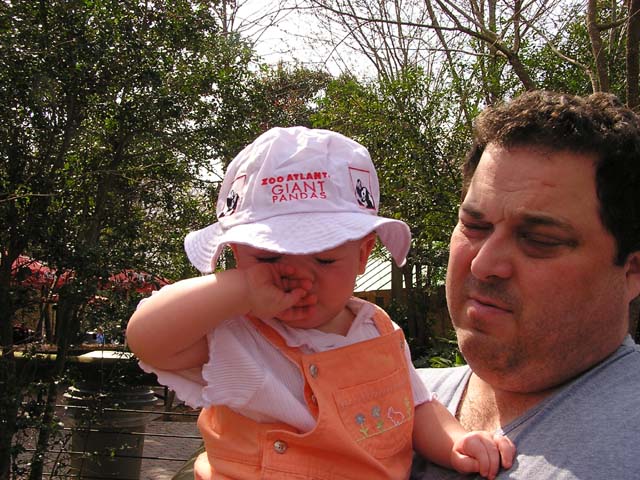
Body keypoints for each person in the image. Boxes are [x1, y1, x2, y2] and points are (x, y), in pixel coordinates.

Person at [126, 126, 514, 480]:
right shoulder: (236, 333)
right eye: (268, 258)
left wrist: (455, 441)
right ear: (235, 255)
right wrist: (240, 289)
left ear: (362, 256)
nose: (298, 277)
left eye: (324, 259)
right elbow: (146, 338)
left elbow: (414, 406)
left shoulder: (377, 328)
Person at [412, 90, 640, 479]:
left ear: (631, 271)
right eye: (474, 226)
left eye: (540, 240)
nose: (484, 264)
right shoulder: (390, 398)